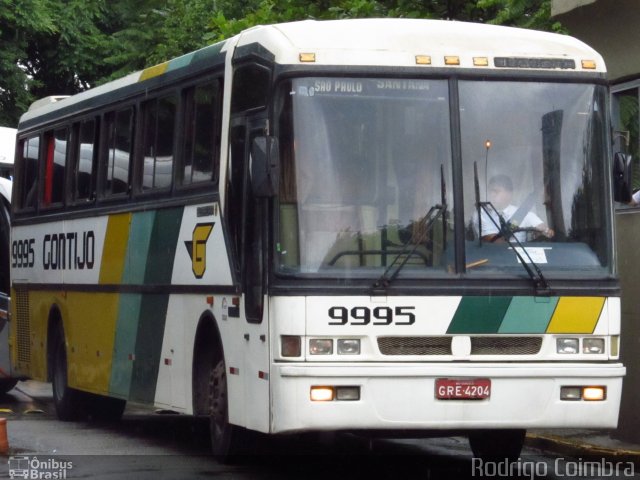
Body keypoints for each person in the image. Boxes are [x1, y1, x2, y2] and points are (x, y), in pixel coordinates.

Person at [473, 174, 554, 243]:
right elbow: (495, 243)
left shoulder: (522, 213)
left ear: (509, 194)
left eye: (496, 191)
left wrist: (543, 232)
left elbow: (548, 232)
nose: (492, 195)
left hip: (522, 260)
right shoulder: (482, 214)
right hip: (493, 259)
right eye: (490, 191)